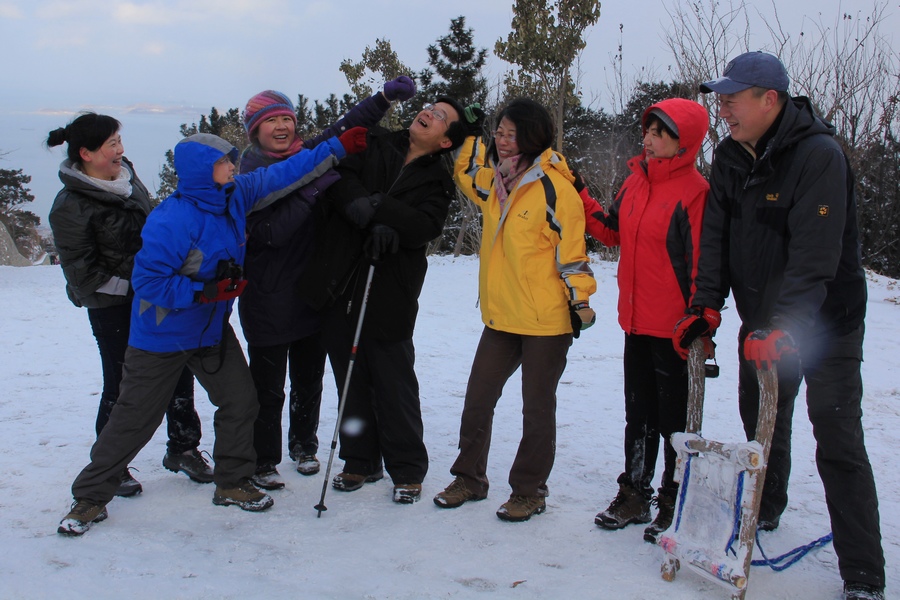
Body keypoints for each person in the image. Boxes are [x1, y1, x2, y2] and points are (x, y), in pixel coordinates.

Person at [57, 127, 367, 535]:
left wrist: (338, 146)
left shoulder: (235, 195)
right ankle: (90, 498)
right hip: (162, 337)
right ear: (203, 171)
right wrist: (203, 290)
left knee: (241, 402)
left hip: (210, 331)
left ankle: (233, 482)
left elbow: (291, 171)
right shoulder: (172, 219)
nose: (232, 167)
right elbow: (148, 284)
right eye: (223, 162)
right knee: (134, 419)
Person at [674, 51, 885, 600]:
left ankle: (863, 572)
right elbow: (715, 237)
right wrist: (705, 305)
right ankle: (765, 510)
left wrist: (787, 323)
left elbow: (816, 256)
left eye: (732, 98)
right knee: (763, 417)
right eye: (719, 98)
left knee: (835, 435)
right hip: (763, 319)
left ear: (770, 100)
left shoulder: (819, 155)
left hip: (826, 322)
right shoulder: (729, 155)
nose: (723, 108)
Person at [238, 78, 416, 491]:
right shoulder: (249, 174)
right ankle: (264, 458)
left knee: (308, 378)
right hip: (267, 295)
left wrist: (383, 99)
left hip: (310, 292)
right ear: (255, 130)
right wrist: (314, 188)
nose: (282, 126)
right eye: (271, 121)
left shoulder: (306, 154)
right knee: (266, 387)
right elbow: (270, 233)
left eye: (287, 118)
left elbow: (342, 128)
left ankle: (304, 444)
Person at [299, 96, 468, 505]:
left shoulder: (438, 180)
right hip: (340, 278)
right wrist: (364, 206)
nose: (428, 112)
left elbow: (425, 224)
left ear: (446, 142)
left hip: (390, 287)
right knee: (350, 380)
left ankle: (407, 468)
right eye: (430, 107)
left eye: (440, 117)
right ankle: (359, 459)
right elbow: (340, 178)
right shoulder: (375, 142)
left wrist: (380, 211)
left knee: (395, 382)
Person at [434, 97, 596, 522]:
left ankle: (528, 491)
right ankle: (469, 478)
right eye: (499, 132)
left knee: (537, 409)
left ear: (533, 135)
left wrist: (580, 300)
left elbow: (573, 252)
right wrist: (469, 135)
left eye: (512, 133)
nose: (503, 141)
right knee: (478, 399)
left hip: (546, 319)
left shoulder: (554, 187)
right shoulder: (498, 181)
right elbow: (467, 173)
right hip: (503, 316)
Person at [47, 113, 213, 498]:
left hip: (154, 295)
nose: (120, 150)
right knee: (122, 383)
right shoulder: (70, 205)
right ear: (86, 154)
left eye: (120, 141)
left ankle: (184, 448)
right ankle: (112, 465)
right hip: (113, 305)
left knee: (177, 369)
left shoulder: (128, 175)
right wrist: (141, 287)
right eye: (111, 145)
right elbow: (84, 276)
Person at [579, 99, 710, 541]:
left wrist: (702, 319)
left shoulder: (695, 192)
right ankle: (634, 493)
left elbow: (701, 266)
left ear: (683, 142)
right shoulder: (635, 183)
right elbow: (612, 230)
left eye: (660, 132)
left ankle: (675, 499)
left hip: (675, 330)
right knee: (639, 416)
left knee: (676, 421)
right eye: (648, 129)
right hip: (634, 322)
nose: (648, 138)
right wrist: (580, 194)